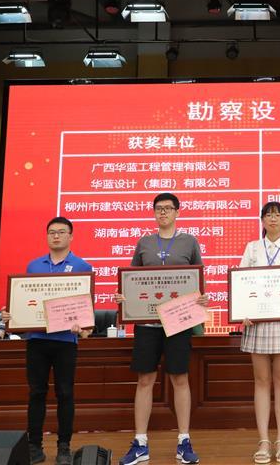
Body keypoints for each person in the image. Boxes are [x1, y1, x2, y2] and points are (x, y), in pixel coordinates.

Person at [118, 193, 208, 465]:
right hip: (147, 324)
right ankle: (140, 443)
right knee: (145, 380)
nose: (163, 213)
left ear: (177, 212)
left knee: (180, 378)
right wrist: (123, 297)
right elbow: (131, 279)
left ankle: (184, 441)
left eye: (168, 208)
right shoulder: (144, 242)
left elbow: (198, 280)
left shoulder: (189, 241)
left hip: (178, 323)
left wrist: (201, 298)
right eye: (159, 208)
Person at [2, 217, 92, 465]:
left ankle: (64, 447)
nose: (56, 236)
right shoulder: (34, 266)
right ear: (47, 236)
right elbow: (25, 300)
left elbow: (86, 307)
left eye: (61, 232)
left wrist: (82, 325)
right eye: (52, 232)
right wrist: (13, 315)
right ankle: (34, 447)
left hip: (65, 341)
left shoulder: (81, 266)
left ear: (71, 236)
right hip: (37, 339)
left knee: (65, 393)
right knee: (36, 393)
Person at [238, 202, 280, 465]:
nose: (273, 219)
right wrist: (242, 311)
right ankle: (264, 441)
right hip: (258, 322)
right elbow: (242, 281)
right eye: (268, 215)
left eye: (277, 215)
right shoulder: (253, 248)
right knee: (261, 381)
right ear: (262, 220)